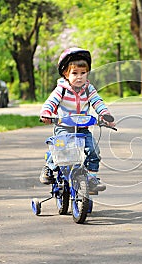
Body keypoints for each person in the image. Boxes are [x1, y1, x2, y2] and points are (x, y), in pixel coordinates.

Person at [39, 47, 115, 192]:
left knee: (93, 151)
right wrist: (46, 113)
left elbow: (98, 102)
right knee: (60, 150)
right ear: (66, 74)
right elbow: (51, 102)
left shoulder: (89, 89)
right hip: (63, 127)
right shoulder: (61, 90)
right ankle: (49, 167)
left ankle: (91, 178)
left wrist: (105, 115)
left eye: (83, 73)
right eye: (75, 73)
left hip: (82, 128)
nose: (79, 77)